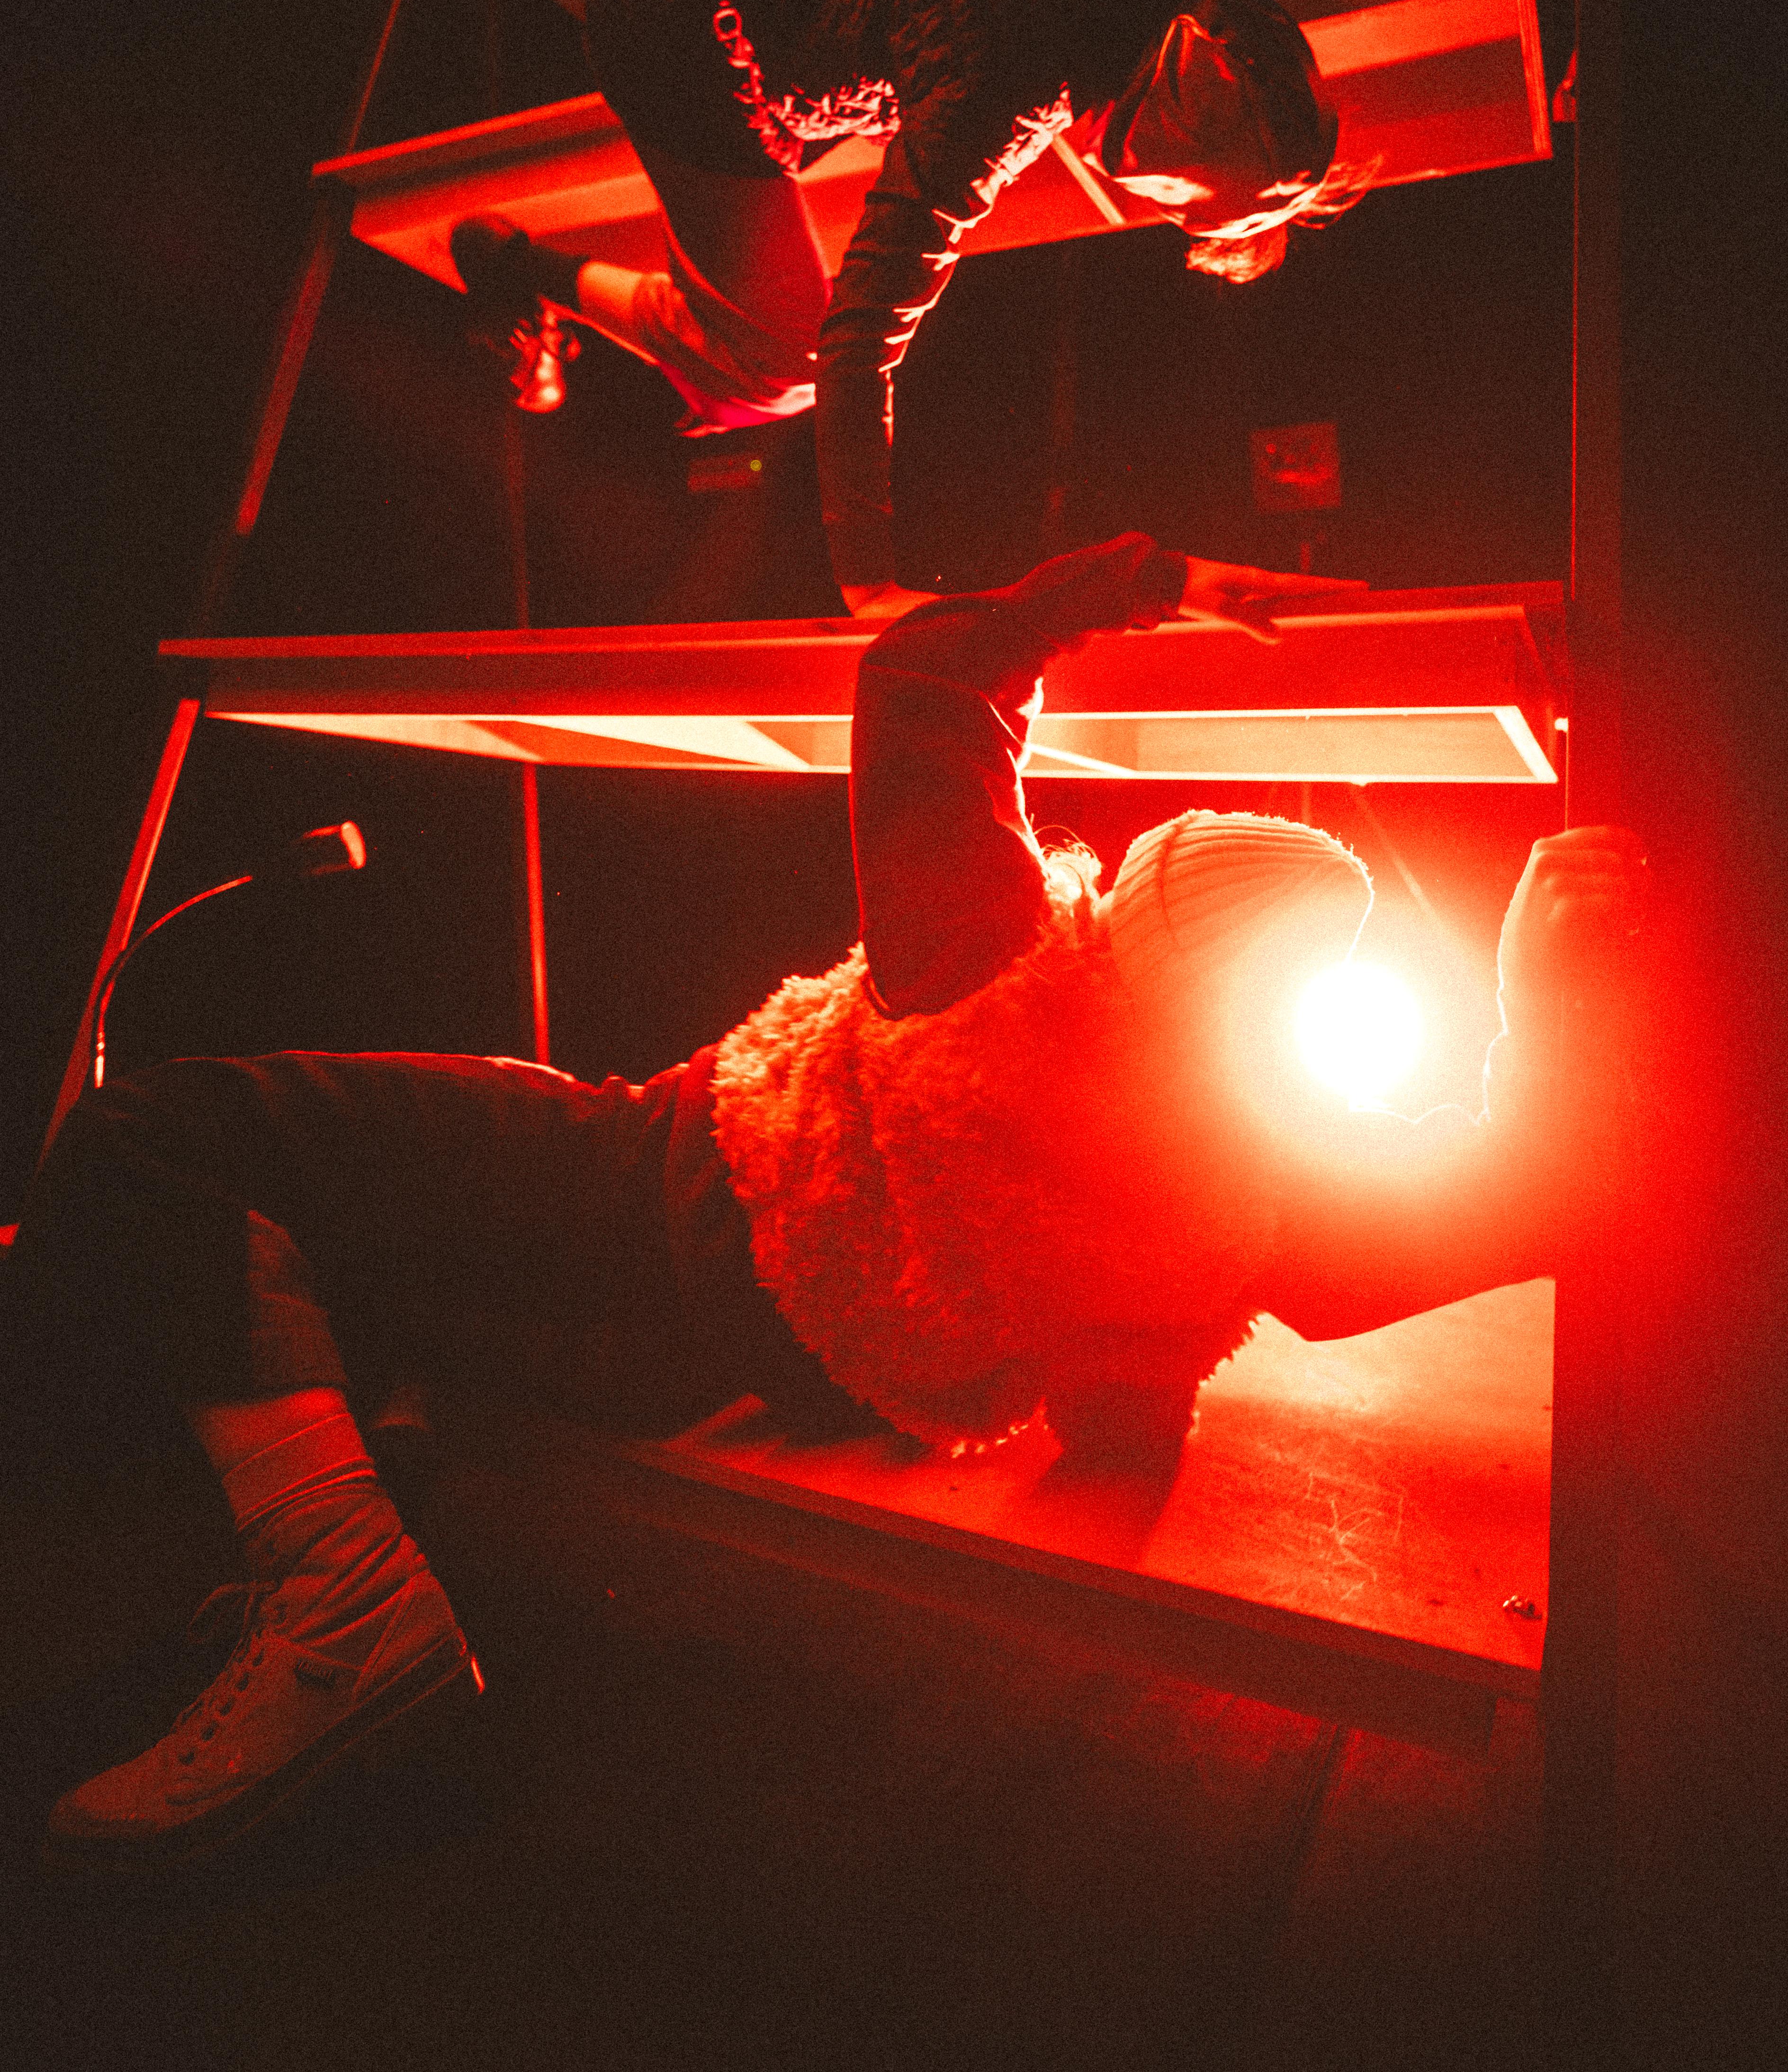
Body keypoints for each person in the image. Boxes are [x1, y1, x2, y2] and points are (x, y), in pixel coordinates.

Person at [6, 537, 1643, 1870]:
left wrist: (1127, 582)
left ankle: (343, 1610)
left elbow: (924, 672)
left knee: (160, 1140)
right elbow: (1473, 1213)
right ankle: (324, 1562)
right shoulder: (1243, 1204)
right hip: (728, 1358)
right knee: (345, 1263)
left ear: (1119, 908)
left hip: (633, 1180)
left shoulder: (991, 954)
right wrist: (1534, 995)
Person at [450, 0, 1372, 616]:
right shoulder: (997, 97)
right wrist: (871, 585)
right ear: (1121, 150)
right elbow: (859, 344)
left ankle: (609, 280)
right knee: (782, 367)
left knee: (868, 83)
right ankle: (516, 267)